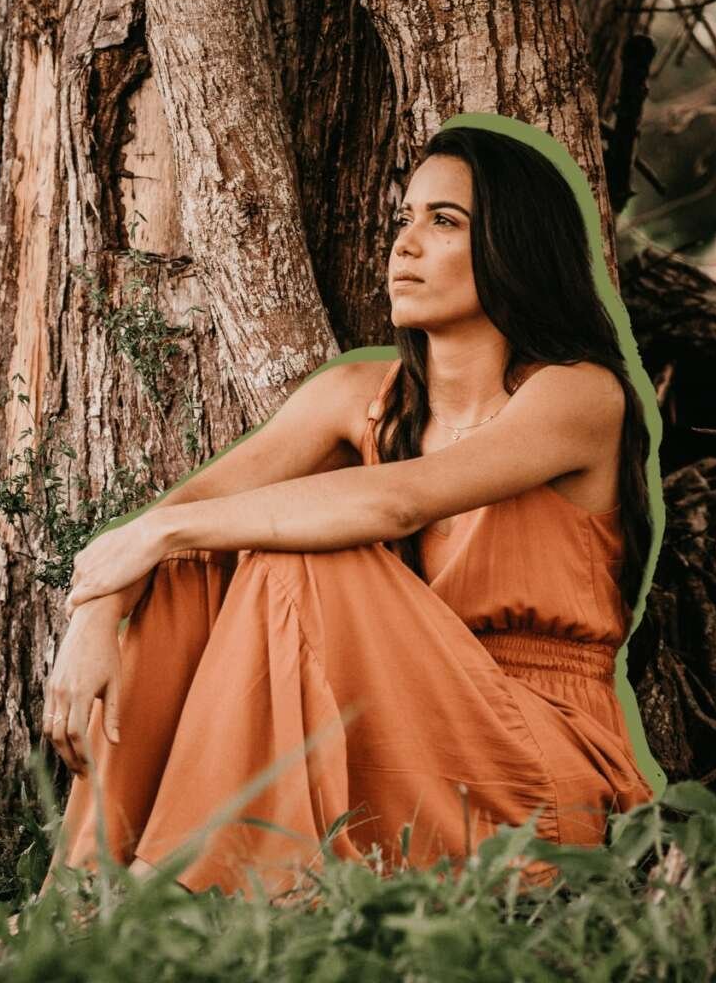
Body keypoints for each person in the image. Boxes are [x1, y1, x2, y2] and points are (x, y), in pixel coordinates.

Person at [38, 123, 657, 905]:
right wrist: (99, 608)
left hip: (536, 765)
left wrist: (158, 532)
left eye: (445, 222)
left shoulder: (576, 394)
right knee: (194, 560)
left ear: (517, 245)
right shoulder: (357, 395)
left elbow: (396, 500)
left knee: (291, 552)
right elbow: (191, 509)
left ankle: (186, 898)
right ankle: (87, 892)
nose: (406, 244)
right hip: (397, 729)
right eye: (404, 218)